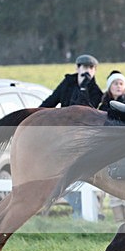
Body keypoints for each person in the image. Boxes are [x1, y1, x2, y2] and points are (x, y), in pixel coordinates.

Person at [42, 54, 103, 219]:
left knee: (83, 175)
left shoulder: (96, 91)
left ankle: (91, 211)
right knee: (61, 175)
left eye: (91, 68)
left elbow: (86, 110)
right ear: (78, 68)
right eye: (84, 67)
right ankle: (80, 210)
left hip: (84, 139)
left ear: (95, 70)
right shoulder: (67, 84)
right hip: (62, 136)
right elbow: (50, 102)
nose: (87, 71)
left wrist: (84, 88)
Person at [98, 70, 125, 223]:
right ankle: (119, 225)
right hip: (110, 152)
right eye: (115, 83)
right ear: (109, 86)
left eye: (121, 83)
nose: (118, 86)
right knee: (114, 191)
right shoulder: (103, 105)